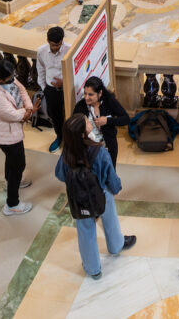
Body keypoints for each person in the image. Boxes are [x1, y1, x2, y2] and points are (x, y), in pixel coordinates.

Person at [54, 114, 135, 279]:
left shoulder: (66, 154)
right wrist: (116, 188)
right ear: (83, 132)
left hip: (78, 197)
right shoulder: (99, 151)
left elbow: (60, 175)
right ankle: (116, 246)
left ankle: (93, 269)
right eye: (86, 122)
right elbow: (110, 176)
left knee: (85, 231)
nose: (89, 122)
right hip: (102, 194)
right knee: (110, 219)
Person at [0, 57, 38, 215]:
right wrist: (27, 112)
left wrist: (28, 107)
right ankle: (12, 204)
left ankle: (10, 182)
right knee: (18, 165)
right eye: (10, 78)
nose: (13, 79)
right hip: (6, 135)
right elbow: (12, 115)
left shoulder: (6, 77)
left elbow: (21, 90)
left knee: (12, 161)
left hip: (12, 131)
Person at [79, 75, 128, 165]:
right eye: (85, 93)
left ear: (100, 93)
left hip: (108, 146)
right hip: (89, 148)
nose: (86, 97)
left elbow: (125, 119)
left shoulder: (109, 101)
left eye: (90, 94)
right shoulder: (80, 106)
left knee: (110, 173)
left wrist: (107, 121)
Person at [37, 27, 67, 152]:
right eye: (53, 45)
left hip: (67, 88)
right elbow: (41, 70)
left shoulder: (70, 50)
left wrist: (64, 82)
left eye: (59, 45)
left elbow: (76, 71)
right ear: (48, 41)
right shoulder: (41, 51)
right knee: (55, 116)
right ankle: (59, 137)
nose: (56, 48)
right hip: (50, 90)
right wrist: (45, 88)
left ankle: (71, 141)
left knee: (72, 115)